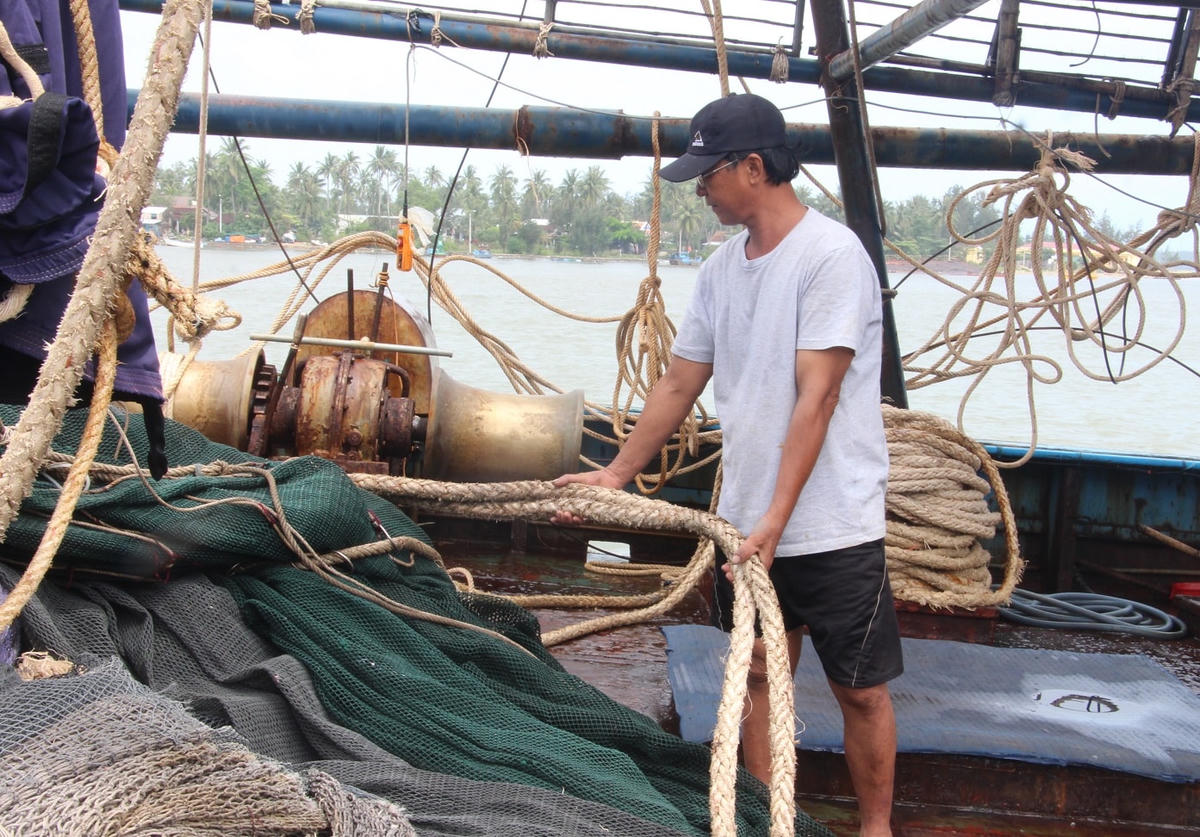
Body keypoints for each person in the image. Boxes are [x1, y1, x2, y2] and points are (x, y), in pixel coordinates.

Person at [552, 93, 902, 836]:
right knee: (757, 675)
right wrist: (617, 473)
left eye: (708, 173)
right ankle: (762, 817)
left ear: (753, 167)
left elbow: (818, 395)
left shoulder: (832, 256)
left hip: (832, 523)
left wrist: (778, 517)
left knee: (861, 690)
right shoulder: (718, 270)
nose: (701, 189)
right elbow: (680, 381)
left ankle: (877, 828)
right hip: (745, 521)